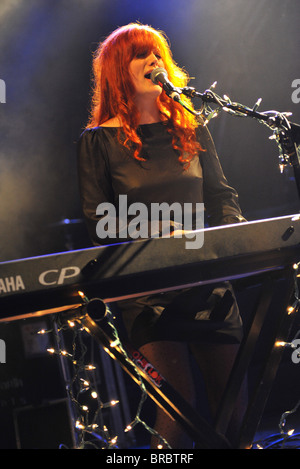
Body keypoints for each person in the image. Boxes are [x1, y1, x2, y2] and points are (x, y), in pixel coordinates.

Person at [77, 23, 247, 449]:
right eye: (141, 56)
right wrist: (156, 230)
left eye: (157, 55)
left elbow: (222, 197)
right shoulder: (99, 141)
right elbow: (100, 221)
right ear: (120, 71)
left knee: (237, 408)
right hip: (149, 294)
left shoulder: (191, 125)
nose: (154, 62)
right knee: (178, 411)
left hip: (208, 281)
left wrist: (231, 239)